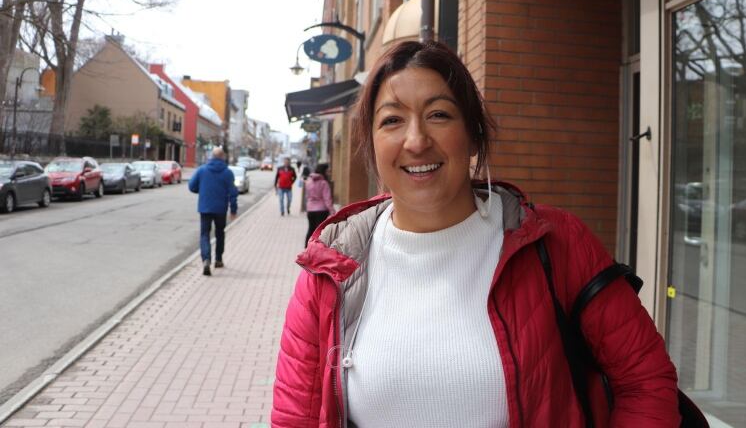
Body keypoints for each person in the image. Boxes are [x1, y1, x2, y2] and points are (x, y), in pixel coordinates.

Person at [271, 41, 680, 427]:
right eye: (392, 120)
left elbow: (644, 381)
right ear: (373, 143)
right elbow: (295, 418)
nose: (415, 141)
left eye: (439, 115)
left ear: (473, 135)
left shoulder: (557, 243)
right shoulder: (330, 271)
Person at [188, 147, 238, 276]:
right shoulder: (227, 172)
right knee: (220, 233)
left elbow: (192, 186)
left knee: (205, 234)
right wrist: (233, 209)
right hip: (221, 208)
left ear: (211, 156)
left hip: (205, 207)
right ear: (222, 157)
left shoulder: (202, 170)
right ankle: (218, 259)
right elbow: (233, 192)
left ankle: (206, 259)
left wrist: (203, 191)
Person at [304, 163, 335, 247]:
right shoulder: (324, 183)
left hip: (310, 209)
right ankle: (317, 249)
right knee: (320, 231)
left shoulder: (308, 182)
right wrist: (332, 211)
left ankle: (307, 248)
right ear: (323, 171)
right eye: (328, 171)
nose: (329, 173)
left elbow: (307, 196)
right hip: (321, 210)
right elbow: (327, 199)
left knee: (311, 229)